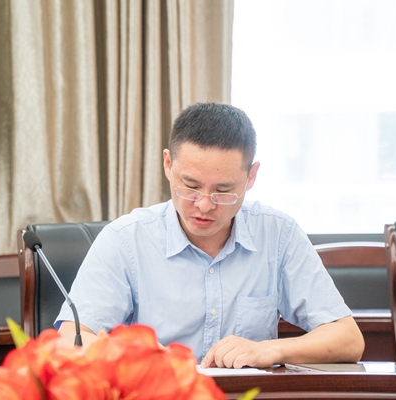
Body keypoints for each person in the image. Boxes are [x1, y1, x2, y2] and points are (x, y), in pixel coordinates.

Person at [56, 102, 364, 368]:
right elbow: (70, 340)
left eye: (223, 191)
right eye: (190, 186)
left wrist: (270, 350)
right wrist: (133, 354)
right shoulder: (125, 240)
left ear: (251, 177)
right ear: (168, 164)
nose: (204, 205)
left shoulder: (278, 234)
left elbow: (348, 339)